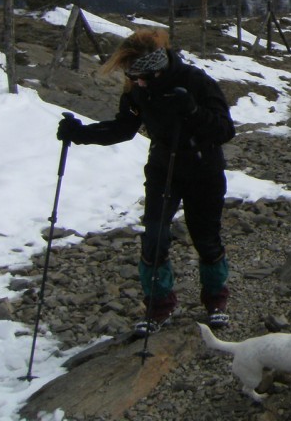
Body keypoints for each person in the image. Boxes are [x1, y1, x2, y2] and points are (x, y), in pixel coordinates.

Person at [56, 29, 236, 334]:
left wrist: (192, 111)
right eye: (133, 76)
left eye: (143, 77)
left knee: (205, 237)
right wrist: (80, 133)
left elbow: (224, 130)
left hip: (203, 169)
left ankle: (215, 300)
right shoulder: (138, 88)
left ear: (159, 68)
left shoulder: (196, 81)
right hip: (163, 167)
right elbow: (124, 128)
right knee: (153, 236)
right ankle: (159, 304)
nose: (137, 82)